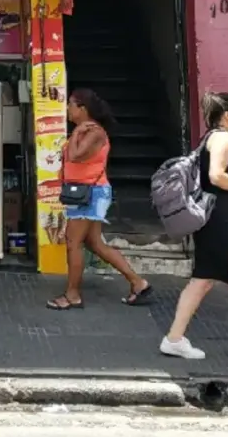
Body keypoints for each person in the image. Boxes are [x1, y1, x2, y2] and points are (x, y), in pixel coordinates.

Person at [47, 88, 152, 311]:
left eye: (71, 104)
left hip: (89, 194)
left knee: (73, 242)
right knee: (94, 244)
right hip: (86, 192)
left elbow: (75, 155)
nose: (68, 109)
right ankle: (138, 282)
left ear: (82, 108)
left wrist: (76, 132)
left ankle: (72, 294)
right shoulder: (88, 131)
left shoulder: (93, 132)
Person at [160, 91, 228, 359]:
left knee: (201, 280)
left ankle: (174, 339)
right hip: (225, 220)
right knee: (202, 280)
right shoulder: (224, 138)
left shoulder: (208, 137)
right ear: (227, 115)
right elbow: (216, 176)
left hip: (210, 219)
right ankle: (174, 339)